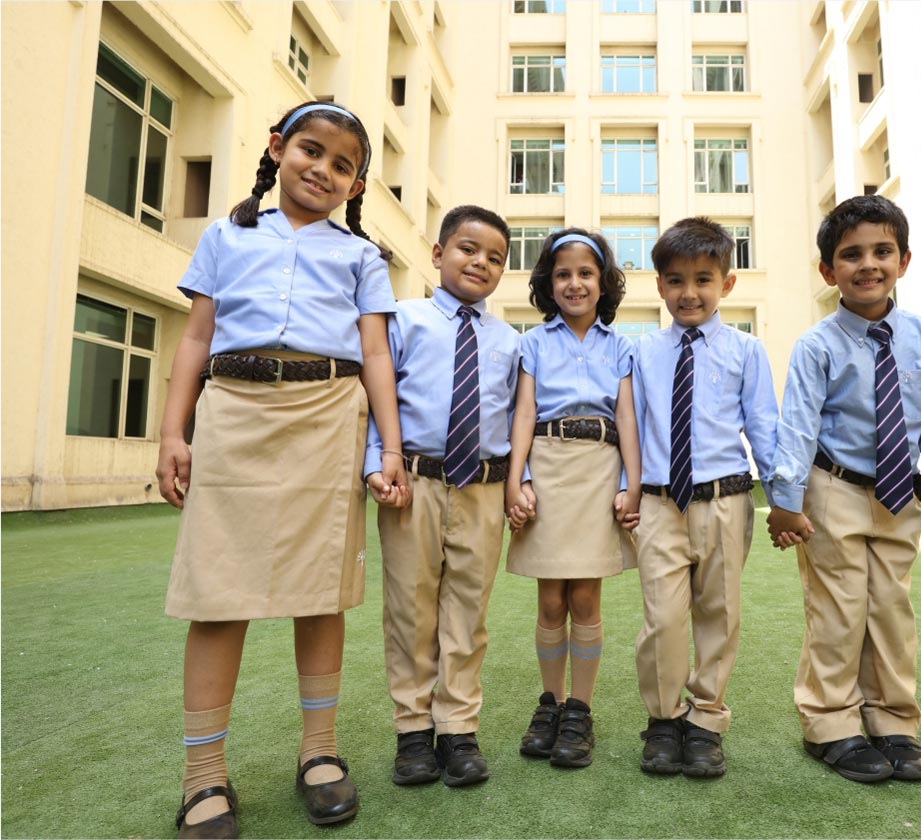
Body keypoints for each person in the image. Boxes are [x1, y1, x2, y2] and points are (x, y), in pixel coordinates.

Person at [158, 101, 409, 838]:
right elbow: (195, 338)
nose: (323, 171)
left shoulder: (363, 257)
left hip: (329, 417)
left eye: (343, 166)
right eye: (311, 151)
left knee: (320, 591)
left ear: (356, 186)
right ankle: (203, 778)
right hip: (233, 410)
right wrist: (175, 432)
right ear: (277, 149)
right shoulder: (225, 236)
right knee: (217, 591)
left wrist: (388, 449)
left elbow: (374, 358)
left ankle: (320, 754)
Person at [767, 195, 921, 784]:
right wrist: (785, 504)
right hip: (832, 490)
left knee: (892, 609)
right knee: (839, 610)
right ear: (828, 271)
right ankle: (829, 723)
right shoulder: (818, 344)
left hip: (897, 494)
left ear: (904, 260)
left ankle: (893, 719)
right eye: (851, 255)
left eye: (881, 252)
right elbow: (796, 426)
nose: (868, 265)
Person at [363, 205, 521, 789]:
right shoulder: (402, 320)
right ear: (437, 253)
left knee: (468, 612)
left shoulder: (510, 340)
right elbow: (376, 400)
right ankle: (411, 731)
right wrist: (375, 464)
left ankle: (457, 728)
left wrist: (515, 483)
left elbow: (514, 417)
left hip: (482, 488)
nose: (481, 262)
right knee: (410, 609)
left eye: (495, 257)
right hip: (415, 482)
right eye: (467, 249)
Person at [630, 217, 778, 778]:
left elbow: (764, 426)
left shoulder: (747, 350)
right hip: (660, 502)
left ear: (727, 284)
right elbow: (635, 429)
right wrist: (629, 490)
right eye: (675, 280)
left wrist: (782, 499)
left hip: (726, 499)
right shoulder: (642, 353)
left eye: (703, 279)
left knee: (719, 612)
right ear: (659, 285)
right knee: (663, 618)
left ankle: (706, 720)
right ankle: (664, 722)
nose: (688, 293)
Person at [504, 228, 642, 769]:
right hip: (547, 465)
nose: (575, 283)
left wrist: (632, 481)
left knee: (584, 598)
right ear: (547, 282)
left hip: (599, 469)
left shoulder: (622, 346)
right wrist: (518, 479)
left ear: (603, 282)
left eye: (586, 273)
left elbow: (627, 416)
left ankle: (580, 709)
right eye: (563, 274)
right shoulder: (533, 343)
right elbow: (523, 414)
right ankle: (550, 703)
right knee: (550, 600)